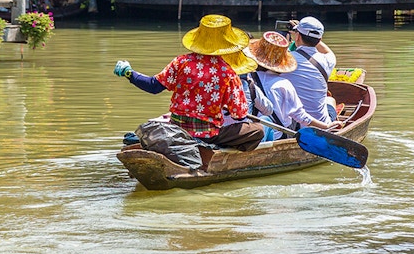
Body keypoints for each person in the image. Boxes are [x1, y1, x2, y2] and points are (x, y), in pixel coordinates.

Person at [114, 14, 264, 151]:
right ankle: (215, 150)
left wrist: (129, 73)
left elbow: (153, 86)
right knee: (257, 130)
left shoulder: (181, 62)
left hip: (177, 129)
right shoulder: (228, 73)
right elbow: (239, 115)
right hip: (208, 134)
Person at [243, 31, 343, 142]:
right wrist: (326, 127)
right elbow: (301, 116)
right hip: (280, 135)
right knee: (327, 102)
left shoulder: (247, 79)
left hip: (258, 133)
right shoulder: (283, 84)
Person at [282, 16, 338, 123]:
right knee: (330, 100)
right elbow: (327, 51)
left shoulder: (286, 59)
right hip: (321, 124)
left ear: (297, 36)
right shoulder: (328, 60)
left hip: (294, 124)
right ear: (319, 40)